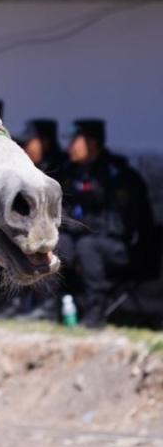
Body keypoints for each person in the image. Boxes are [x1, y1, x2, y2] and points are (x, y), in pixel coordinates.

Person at [59, 118, 154, 325]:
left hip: (124, 248)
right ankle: (54, 306)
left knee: (87, 246)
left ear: (92, 143)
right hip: (83, 241)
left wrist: (80, 227)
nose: (69, 147)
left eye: (75, 141)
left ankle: (96, 312)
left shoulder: (117, 176)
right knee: (59, 243)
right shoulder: (71, 171)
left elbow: (119, 225)